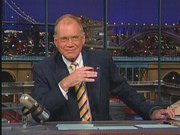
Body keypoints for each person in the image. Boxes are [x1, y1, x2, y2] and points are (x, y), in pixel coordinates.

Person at [31, 14, 175, 122]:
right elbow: (39, 113)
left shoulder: (101, 60)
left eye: (75, 38)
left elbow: (125, 91)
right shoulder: (43, 68)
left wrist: (151, 111)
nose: (70, 44)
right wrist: (65, 84)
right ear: (56, 42)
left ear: (83, 39)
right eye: (64, 39)